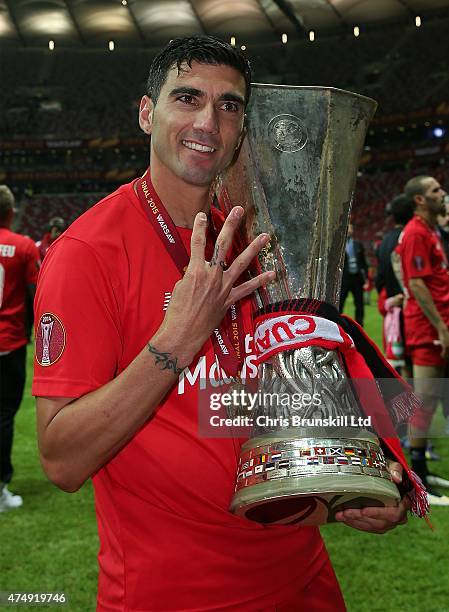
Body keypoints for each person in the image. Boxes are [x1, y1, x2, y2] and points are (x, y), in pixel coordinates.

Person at [33, 36, 409, 611]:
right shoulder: (88, 252)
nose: (209, 121)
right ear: (145, 113)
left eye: (230, 105)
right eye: (187, 97)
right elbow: (61, 460)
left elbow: (313, 375)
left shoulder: (265, 239)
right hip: (183, 593)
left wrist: (369, 473)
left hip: (301, 569)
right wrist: (176, 340)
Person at [396, 175, 449, 505]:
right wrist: (441, 328)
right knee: (425, 399)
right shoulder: (416, 232)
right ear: (419, 200)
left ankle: (421, 469)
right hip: (427, 329)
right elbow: (416, 285)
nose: (441, 193)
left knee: (430, 398)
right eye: (435, 190)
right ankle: (416, 477)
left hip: (436, 326)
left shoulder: (429, 230)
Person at [0, 185, 40, 511]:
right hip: (8, 343)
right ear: (12, 212)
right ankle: (0, 488)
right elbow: (35, 294)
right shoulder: (24, 246)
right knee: (3, 415)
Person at [375, 194, 414, 374]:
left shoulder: (383, 243)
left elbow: (379, 280)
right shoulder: (410, 238)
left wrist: (390, 299)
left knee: (400, 364)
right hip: (413, 311)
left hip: (394, 312)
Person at [339, 222, 367, 326]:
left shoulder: (358, 244)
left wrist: (366, 277)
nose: (350, 230)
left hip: (357, 278)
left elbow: (363, 262)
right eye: (348, 228)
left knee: (359, 303)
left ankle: (360, 324)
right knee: (340, 301)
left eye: (351, 228)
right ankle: (338, 323)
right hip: (345, 278)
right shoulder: (340, 245)